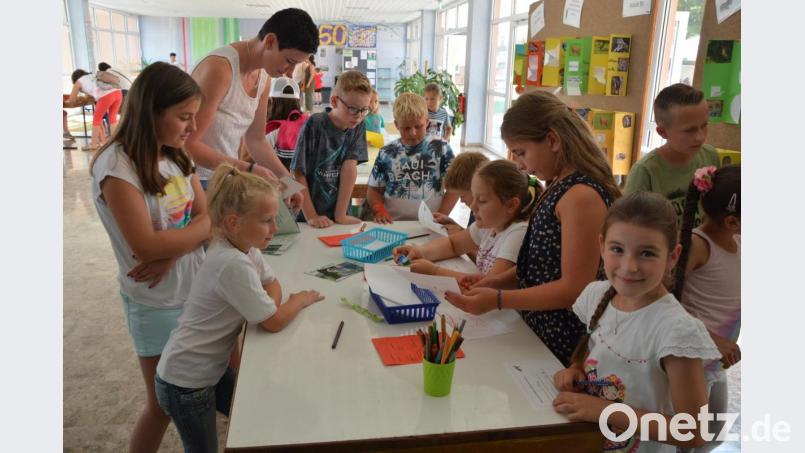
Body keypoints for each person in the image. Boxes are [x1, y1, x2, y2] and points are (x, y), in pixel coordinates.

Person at [155, 164, 324, 452]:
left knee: (257, 412)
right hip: (187, 383)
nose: (274, 229)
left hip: (209, 370)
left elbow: (272, 284)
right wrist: (300, 300)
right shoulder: (231, 263)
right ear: (233, 222)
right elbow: (273, 321)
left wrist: (267, 306)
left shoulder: (246, 247)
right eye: (267, 220)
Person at [445, 91, 621, 366]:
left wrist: (500, 299)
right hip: (536, 329)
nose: (521, 166)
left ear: (552, 140)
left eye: (522, 153)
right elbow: (543, 264)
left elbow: (574, 290)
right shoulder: (558, 185)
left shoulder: (580, 196)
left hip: (563, 342)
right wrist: (496, 281)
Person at [89, 62, 210, 452]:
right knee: (161, 404)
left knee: (205, 385)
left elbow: (207, 216)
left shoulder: (176, 155)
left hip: (193, 287)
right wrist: (177, 244)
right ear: (150, 112)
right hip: (155, 301)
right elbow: (147, 248)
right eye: (184, 117)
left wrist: (174, 251)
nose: (192, 128)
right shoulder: (117, 167)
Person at [552, 192, 720, 452]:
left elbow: (694, 432)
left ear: (673, 257)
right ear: (601, 246)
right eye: (617, 249)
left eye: (647, 253)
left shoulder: (677, 331)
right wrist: (575, 368)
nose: (629, 266)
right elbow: (593, 346)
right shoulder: (596, 295)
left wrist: (605, 411)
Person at [185, 7, 318, 215]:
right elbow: (187, 144)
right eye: (289, 61)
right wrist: (246, 169)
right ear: (270, 41)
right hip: (194, 182)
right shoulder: (220, 69)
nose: (290, 71)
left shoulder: (264, 77)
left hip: (225, 180)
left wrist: (289, 183)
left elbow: (256, 140)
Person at [673, 165, 741, 452]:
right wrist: (715, 339)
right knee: (689, 440)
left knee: (714, 436)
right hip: (690, 362)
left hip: (714, 363)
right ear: (731, 221)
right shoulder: (699, 246)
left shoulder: (737, 239)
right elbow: (662, 301)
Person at [393, 160, 537, 281]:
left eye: (481, 200)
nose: (473, 206)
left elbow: (490, 285)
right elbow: (453, 244)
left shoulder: (517, 233)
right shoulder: (489, 225)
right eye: (473, 198)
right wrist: (420, 251)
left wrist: (435, 272)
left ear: (511, 205)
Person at [625, 83, 720, 226]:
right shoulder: (645, 171)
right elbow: (630, 226)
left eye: (704, 125)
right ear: (662, 132)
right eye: (690, 130)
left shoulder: (710, 156)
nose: (700, 137)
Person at [291, 70, 371, 228]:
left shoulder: (358, 126)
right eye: (353, 109)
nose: (359, 116)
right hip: (307, 216)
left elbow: (349, 168)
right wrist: (312, 216)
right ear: (334, 101)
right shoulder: (315, 124)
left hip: (336, 216)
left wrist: (340, 215)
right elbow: (298, 172)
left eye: (364, 110)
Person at [366, 92, 458, 223]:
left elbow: (455, 188)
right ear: (397, 125)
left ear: (426, 121)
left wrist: (442, 214)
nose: (413, 133)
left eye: (418, 126)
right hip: (394, 224)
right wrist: (379, 209)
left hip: (431, 223)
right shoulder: (386, 152)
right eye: (406, 128)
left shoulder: (441, 148)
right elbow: (374, 190)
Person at [434, 151, 489, 232]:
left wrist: (460, 231)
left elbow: (482, 243)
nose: (461, 201)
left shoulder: (488, 214)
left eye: (462, 195)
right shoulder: (477, 208)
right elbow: (476, 235)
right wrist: (453, 224)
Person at [68, 68, 123, 150]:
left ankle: (93, 144)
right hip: (118, 93)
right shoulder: (93, 76)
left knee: (96, 120)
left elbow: (71, 100)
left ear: (75, 78)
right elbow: (94, 91)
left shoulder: (78, 82)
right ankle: (114, 142)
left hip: (106, 96)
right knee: (112, 119)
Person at [265, 77, 307, 170]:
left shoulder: (273, 132)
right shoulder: (308, 124)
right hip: (307, 182)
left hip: (282, 181)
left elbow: (248, 161)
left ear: (271, 101)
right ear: (298, 101)